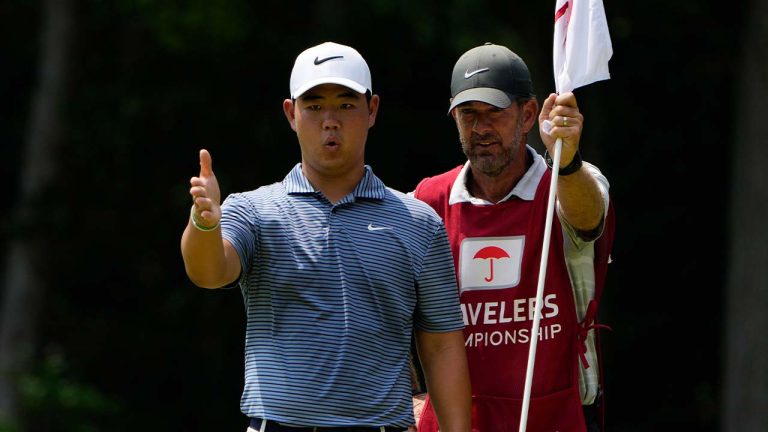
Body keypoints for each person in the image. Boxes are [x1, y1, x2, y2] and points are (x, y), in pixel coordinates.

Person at [180, 42, 471, 432]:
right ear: (291, 114)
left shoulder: (418, 222)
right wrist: (204, 225)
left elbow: (442, 346)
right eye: (314, 106)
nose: (329, 120)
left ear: (372, 110)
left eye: (346, 105)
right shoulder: (254, 210)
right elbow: (210, 271)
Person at [412, 43, 616, 432]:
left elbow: (590, 221)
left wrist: (567, 160)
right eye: (468, 114)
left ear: (527, 115)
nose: (480, 128)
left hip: (552, 417)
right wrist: (407, 394)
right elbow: (381, 303)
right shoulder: (427, 201)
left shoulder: (568, 182)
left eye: (494, 113)